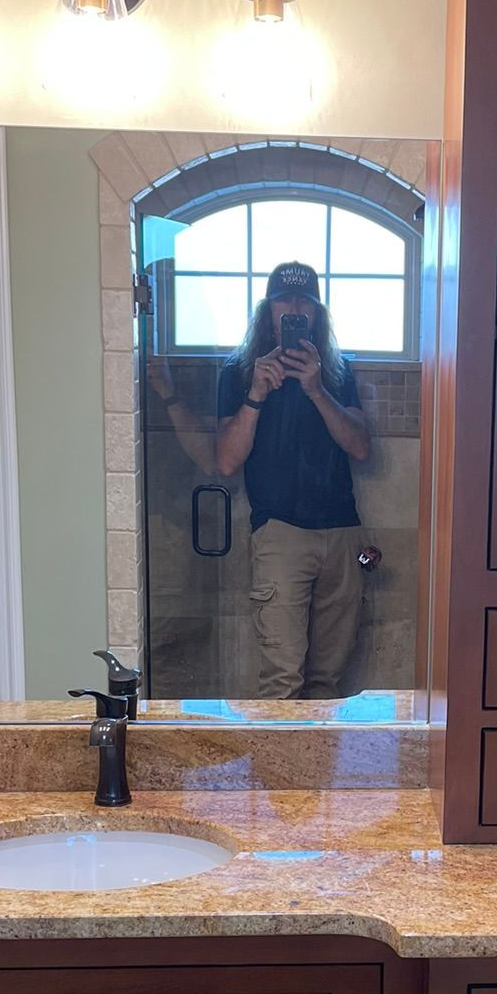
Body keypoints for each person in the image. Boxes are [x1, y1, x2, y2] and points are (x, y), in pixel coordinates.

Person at [216, 260, 371, 699]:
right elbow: (226, 461)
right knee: (283, 681)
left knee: (328, 683)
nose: (294, 308)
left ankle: (320, 771)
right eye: (284, 299)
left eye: (305, 301)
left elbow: (360, 448)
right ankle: (276, 771)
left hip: (341, 531)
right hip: (280, 532)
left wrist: (317, 389)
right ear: (267, 311)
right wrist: (257, 394)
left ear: (317, 314)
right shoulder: (239, 371)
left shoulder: (338, 372)